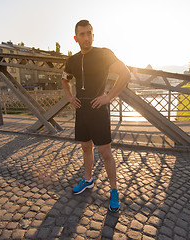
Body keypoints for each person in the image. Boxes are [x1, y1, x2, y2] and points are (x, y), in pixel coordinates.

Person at [61, 20, 131, 212]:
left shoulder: (103, 54)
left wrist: (108, 96)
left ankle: (114, 191)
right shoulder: (72, 60)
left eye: (89, 33)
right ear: (76, 38)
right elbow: (64, 79)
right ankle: (88, 180)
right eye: (82, 34)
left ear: (93, 35)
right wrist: (69, 96)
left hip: (98, 109)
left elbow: (125, 73)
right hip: (81, 109)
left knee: (106, 153)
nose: (87, 37)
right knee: (85, 147)